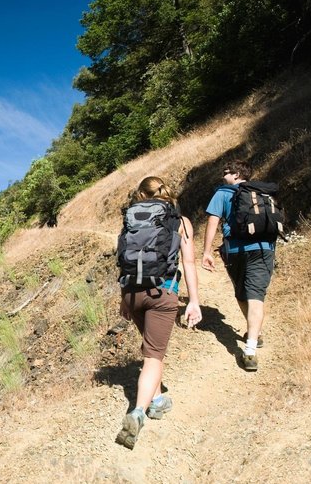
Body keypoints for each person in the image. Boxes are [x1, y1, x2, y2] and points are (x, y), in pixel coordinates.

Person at [115, 177, 202, 449]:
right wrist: (194, 301)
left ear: (141, 194)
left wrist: (124, 301)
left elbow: (124, 260)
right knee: (153, 356)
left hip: (132, 292)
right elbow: (188, 263)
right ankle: (138, 412)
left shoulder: (130, 220)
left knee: (153, 347)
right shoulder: (181, 222)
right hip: (162, 293)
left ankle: (157, 400)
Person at [202, 159, 274, 372]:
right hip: (263, 248)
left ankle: (252, 342)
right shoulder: (262, 192)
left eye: (227, 171)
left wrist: (206, 251)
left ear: (236, 175)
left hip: (235, 250)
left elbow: (213, 222)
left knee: (243, 293)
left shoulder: (222, 193)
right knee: (256, 295)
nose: (223, 174)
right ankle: (252, 342)